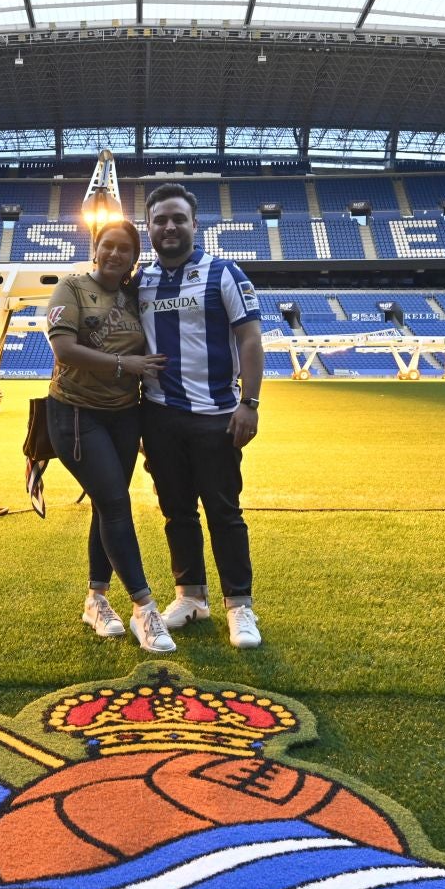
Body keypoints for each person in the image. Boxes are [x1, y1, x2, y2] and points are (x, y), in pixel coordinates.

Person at [136, 184, 267, 648]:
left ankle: (240, 606)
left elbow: (250, 339)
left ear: (194, 225)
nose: (169, 227)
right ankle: (190, 596)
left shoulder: (223, 272)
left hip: (217, 413)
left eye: (178, 219)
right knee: (176, 511)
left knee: (225, 511)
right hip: (158, 415)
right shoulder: (141, 280)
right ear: (148, 227)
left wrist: (249, 403)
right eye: (160, 220)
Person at [44, 220, 174, 654]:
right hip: (77, 415)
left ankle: (96, 599)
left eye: (124, 249)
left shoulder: (135, 295)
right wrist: (125, 366)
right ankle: (144, 607)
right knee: (117, 504)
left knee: (107, 502)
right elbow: (63, 349)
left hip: (124, 415)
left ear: (134, 258)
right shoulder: (72, 288)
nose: (115, 254)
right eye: (108, 246)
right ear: (95, 248)